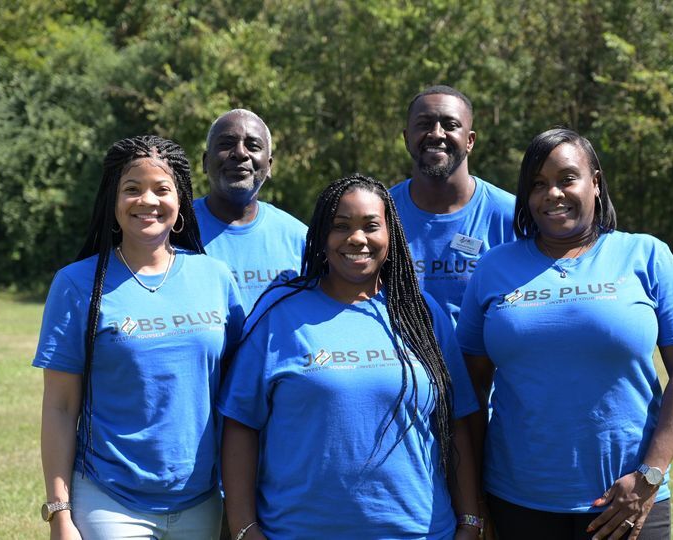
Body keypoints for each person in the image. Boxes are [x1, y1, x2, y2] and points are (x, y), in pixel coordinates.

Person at [456, 128, 673, 540]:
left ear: (595, 181)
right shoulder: (493, 267)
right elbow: (472, 390)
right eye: (537, 184)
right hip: (516, 497)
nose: (552, 194)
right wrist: (474, 500)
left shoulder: (646, 254)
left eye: (566, 178)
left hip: (626, 497)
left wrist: (649, 476)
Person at [219, 174, 484, 539]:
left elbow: (455, 423)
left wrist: (470, 520)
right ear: (320, 238)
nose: (356, 238)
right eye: (340, 226)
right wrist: (244, 528)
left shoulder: (422, 315)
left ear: (390, 236)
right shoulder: (278, 315)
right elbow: (240, 424)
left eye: (370, 226)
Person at [34, 135, 244, 539]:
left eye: (162, 189)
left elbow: (237, 393)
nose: (147, 200)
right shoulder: (77, 284)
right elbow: (60, 407)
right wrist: (60, 512)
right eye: (132, 189)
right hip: (109, 500)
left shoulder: (215, 277)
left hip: (200, 499)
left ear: (180, 201)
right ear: (112, 204)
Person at [391, 85, 516, 323]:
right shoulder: (380, 214)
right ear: (407, 138)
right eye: (424, 124)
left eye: (450, 125)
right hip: (400, 359)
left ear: (470, 141)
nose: (436, 134)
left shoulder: (509, 215)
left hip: (482, 360)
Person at [195, 109, 307, 310]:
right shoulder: (174, 229)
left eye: (253, 146)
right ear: (205, 161)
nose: (240, 153)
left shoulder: (299, 239)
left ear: (269, 165)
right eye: (226, 144)